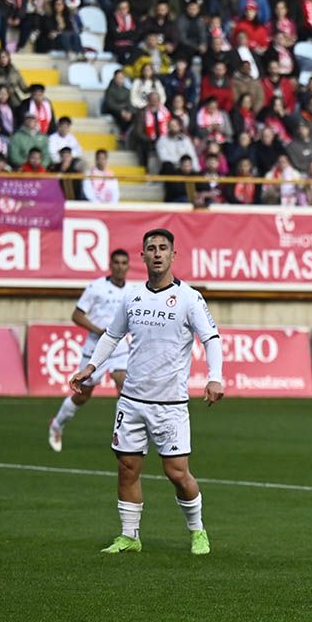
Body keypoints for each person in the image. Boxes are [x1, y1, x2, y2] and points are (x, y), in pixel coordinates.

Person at [70, 229, 225, 555]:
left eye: (163, 248)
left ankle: (198, 531)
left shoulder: (190, 297)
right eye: (151, 248)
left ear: (173, 255)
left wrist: (215, 378)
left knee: (177, 473)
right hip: (132, 400)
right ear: (143, 256)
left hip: (169, 404)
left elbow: (210, 338)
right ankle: (130, 536)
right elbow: (112, 336)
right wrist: (91, 367)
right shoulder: (133, 297)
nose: (156, 253)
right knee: (127, 467)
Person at [48, 249, 134, 452]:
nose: (120, 267)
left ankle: (121, 434)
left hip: (121, 349)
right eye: (117, 263)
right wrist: (99, 331)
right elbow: (76, 315)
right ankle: (57, 424)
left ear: (128, 266)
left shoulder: (132, 291)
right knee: (82, 395)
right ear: (110, 265)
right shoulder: (96, 288)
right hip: (96, 350)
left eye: (124, 263)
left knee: (124, 386)